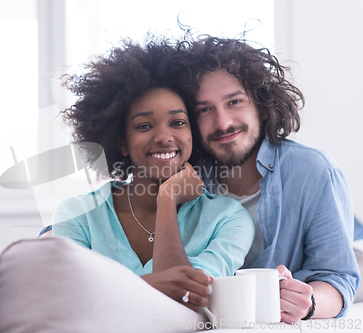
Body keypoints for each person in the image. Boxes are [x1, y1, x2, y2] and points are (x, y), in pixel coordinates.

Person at [48, 37, 255, 312]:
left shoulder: (228, 219)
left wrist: (167, 200)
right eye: (144, 126)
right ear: (121, 142)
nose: (163, 137)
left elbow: (186, 303)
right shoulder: (78, 214)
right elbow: (67, 301)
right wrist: (154, 285)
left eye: (178, 123)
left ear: (192, 133)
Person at [180, 35, 360, 322]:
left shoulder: (315, 171)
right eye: (204, 109)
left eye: (235, 101)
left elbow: (339, 278)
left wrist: (309, 302)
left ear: (262, 106)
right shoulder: (183, 178)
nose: (223, 122)